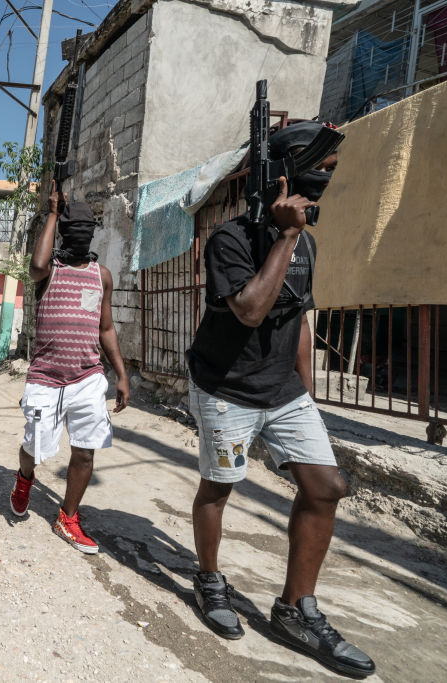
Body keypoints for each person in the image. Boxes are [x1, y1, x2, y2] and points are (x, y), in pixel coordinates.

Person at [185, 120, 375, 678]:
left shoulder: (307, 244)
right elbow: (249, 310)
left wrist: (306, 397)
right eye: (320, 170)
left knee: (326, 486)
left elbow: (299, 320)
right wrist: (286, 236)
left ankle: (295, 609)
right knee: (219, 487)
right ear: (285, 176)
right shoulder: (230, 241)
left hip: (284, 391)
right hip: (226, 388)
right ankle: (209, 580)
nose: (325, 183)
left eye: (332, 172)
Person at [8, 185, 130, 554]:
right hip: (46, 378)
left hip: (88, 377)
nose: (81, 234)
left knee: (86, 450)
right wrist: (51, 213)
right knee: (35, 445)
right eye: (73, 228)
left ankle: (68, 516)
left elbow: (106, 328)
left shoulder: (101, 275)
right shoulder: (50, 270)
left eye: (86, 228)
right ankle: (25, 477)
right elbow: (35, 266)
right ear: (62, 231)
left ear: (93, 232)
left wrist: (121, 374)